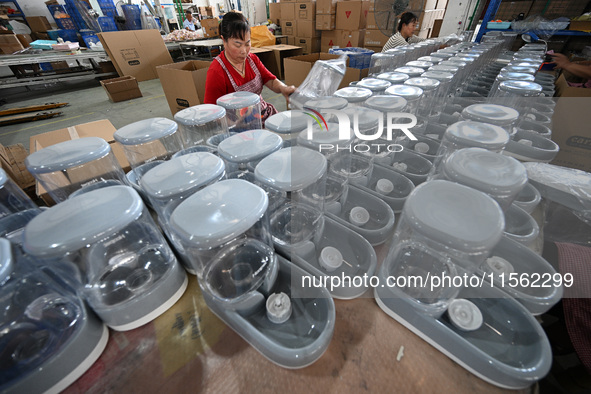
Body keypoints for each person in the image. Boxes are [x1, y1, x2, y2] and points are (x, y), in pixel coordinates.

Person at [204, 12, 296, 123]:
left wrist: (283, 88)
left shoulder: (252, 59)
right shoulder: (217, 71)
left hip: (263, 114)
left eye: (247, 44)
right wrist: (234, 125)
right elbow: (213, 111)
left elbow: (270, 81)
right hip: (239, 126)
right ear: (224, 40)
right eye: (238, 45)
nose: (244, 51)